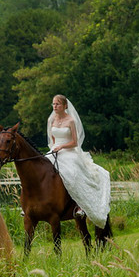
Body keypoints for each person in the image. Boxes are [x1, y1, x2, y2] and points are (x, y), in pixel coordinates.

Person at [46, 95, 110, 227]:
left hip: (69, 151)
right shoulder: (51, 119)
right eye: (53, 104)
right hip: (55, 150)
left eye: (58, 104)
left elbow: (75, 142)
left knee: (72, 172)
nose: (55, 106)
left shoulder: (70, 120)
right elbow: (52, 139)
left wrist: (62, 146)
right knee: (42, 170)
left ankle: (79, 205)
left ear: (65, 106)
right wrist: (54, 148)